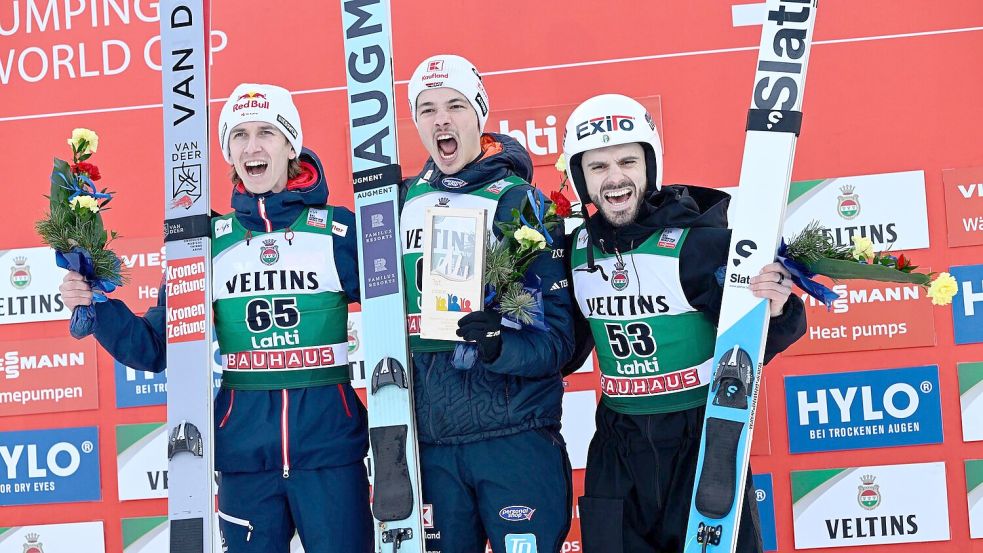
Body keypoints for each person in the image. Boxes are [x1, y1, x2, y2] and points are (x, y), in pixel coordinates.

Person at [59, 83, 371, 553]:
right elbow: (156, 347)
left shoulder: (338, 230)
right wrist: (97, 306)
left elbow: (402, 309)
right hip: (244, 457)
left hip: (329, 453)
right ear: (229, 153)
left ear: (291, 146)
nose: (253, 147)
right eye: (239, 136)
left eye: (267, 132)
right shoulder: (208, 243)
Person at [560, 94, 807, 553]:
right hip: (619, 443)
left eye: (627, 161)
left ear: (650, 166)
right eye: (597, 167)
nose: (615, 178)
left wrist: (775, 307)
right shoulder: (574, 251)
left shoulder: (697, 244)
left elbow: (757, 334)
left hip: (700, 437)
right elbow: (564, 350)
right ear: (581, 179)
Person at [400, 54, 575, 553]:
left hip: (513, 434)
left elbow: (557, 341)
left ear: (479, 113)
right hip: (432, 445)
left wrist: (499, 345)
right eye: (427, 109)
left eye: (455, 105)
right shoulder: (400, 202)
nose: (441, 120)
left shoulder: (521, 202)